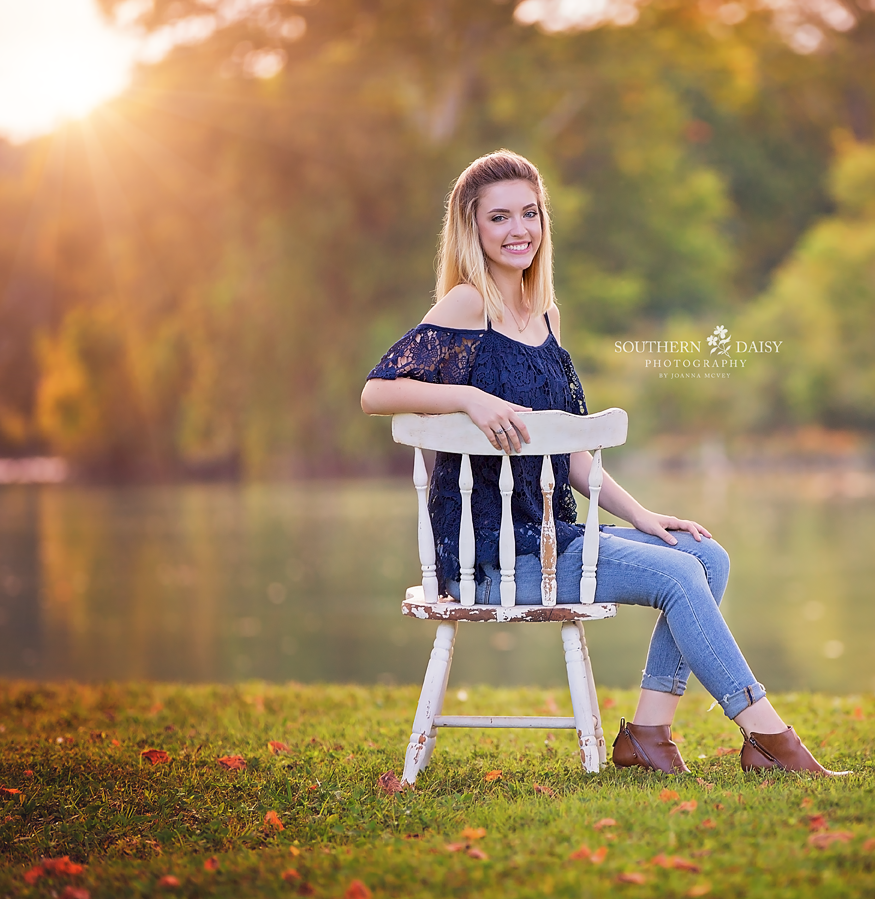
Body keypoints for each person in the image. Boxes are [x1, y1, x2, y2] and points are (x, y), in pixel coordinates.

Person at [361, 150, 845, 776]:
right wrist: (468, 396)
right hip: (492, 562)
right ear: (471, 228)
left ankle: (648, 734)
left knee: (704, 556)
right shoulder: (464, 307)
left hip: (550, 540)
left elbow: (572, 456)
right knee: (678, 578)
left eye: (530, 214)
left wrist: (646, 517)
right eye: (499, 217)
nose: (519, 231)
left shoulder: (546, 320)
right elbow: (376, 392)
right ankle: (771, 739)